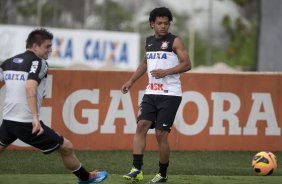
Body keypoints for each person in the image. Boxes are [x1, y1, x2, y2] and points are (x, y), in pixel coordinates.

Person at [0, 28, 108, 184]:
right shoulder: (39, 62)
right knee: (67, 147)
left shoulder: (8, 62)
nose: (51, 50)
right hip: (27, 123)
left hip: (9, 121)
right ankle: (86, 178)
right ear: (35, 46)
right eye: (47, 46)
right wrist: (35, 118)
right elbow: (30, 86)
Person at [121, 7, 191, 183]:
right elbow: (145, 63)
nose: (163, 26)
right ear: (152, 24)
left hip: (171, 94)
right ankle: (136, 170)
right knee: (141, 125)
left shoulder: (175, 41)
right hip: (151, 92)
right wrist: (131, 81)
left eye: (166, 23)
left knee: (160, 133)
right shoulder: (149, 41)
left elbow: (187, 64)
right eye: (159, 23)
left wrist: (166, 72)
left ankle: (162, 174)